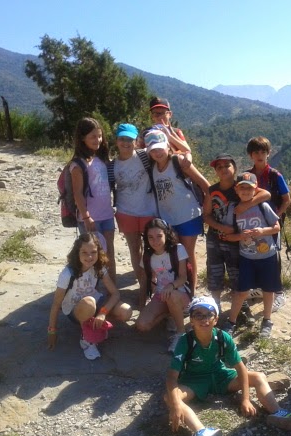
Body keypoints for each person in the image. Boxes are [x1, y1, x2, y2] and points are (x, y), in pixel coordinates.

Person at [165, 296, 291, 436]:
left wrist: (245, 399)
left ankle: (277, 413)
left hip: (220, 376)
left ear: (215, 319)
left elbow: (241, 369)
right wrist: (175, 405)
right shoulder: (185, 341)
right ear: (191, 320)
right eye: (198, 315)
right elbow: (171, 376)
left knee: (258, 376)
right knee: (170, 397)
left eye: (209, 315)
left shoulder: (222, 338)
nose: (204, 319)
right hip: (194, 381)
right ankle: (202, 432)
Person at [202, 153, 271, 316]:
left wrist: (246, 205)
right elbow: (206, 215)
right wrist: (221, 227)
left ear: (234, 168)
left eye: (227, 165)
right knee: (215, 272)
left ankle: (242, 307)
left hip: (236, 241)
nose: (223, 169)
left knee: (236, 274)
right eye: (219, 167)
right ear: (215, 171)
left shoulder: (241, 187)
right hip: (214, 239)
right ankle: (216, 307)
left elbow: (266, 194)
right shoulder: (212, 191)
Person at [47, 233, 132, 360]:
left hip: (95, 303)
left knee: (126, 311)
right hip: (76, 310)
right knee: (89, 303)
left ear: (99, 252)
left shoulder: (99, 268)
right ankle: (87, 340)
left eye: (93, 252)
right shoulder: (67, 274)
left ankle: (97, 324)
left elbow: (115, 293)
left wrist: (103, 313)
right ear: (77, 253)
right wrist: (52, 331)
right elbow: (56, 304)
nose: (89, 257)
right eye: (84, 252)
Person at [146, 129, 210, 293]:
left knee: (187, 255)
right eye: (153, 150)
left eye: (160, 148)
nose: (157, 153)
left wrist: (207, 210)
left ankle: (191, 292)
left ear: (168, 146)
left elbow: (205, 185)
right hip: (167, 220)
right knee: (174, 256)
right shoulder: (153, 167)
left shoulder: (178, 161)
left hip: (188, 216)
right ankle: (179, 289)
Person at [221, 173, 281, 338]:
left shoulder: (263, 206)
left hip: (268, 255)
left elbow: (277, 227)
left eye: (249, 188)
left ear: (256, 189)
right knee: (242, 291)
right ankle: (231, 322)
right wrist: (240, 236)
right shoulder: (233, 210)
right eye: (242, 188)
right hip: (246, 257)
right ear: (236, 189)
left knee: (268, 290)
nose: (246, 191)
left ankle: (267, 320)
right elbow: (228, 236)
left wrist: (262, 231)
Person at [111, 123, 157, 308]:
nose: (126, 143)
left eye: (130, 139)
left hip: (148, 211)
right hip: (125, 212)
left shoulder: (145, 156)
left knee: (152, 251)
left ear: (137, 141)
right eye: (122, 139)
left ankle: (151, 287)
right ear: (116, 141)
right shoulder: (112, 166)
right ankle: (144, 288)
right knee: (134, 250)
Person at [245, 136, 291, 311]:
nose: (259, 155)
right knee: (256, 253)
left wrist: (275, 217)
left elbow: (287, 199)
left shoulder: (275, 175)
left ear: (268, 153)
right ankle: (259, 288)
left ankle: (278, 293)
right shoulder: (248, 176)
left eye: (263, 152)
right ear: (250, 155)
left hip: (271, 225)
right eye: (256, 152)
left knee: (273, 257)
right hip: (253, 222)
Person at [70, 117, 117, 282]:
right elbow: (77, 193)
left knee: (109, 252)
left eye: (100, 136)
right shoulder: (78, 164)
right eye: (93, 137)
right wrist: (86, 216)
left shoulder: (102, 158)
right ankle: (91, 288)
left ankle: (112, 288)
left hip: (107, 214)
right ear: (83, 138)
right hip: (90, 217)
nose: (98, 140)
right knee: (91, 255)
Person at [135, 219, 192, 353]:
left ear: (166, 234)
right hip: (161, 294)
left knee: (171, 295)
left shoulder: (178, 249)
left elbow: (183, 277)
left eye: (159, 236)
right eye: (151, 237)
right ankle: (171, 314)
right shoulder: (148, 256)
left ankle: (181, 334)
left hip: (180, 292)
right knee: (142, 325)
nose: (155, 241)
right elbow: (145, 281)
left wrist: (171, 286)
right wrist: (142, 306)